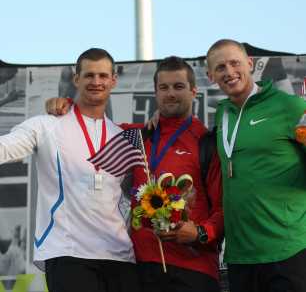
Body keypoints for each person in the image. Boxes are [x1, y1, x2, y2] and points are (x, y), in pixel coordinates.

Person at [45, 56, 224, 292]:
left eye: (178, 87)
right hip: (142, 270)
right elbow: (92, 125)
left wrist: (200, 233)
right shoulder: (137, 136)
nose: (170, 94)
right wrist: (66, 104)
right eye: (164, 87)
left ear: (193, 91)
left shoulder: (207, 143)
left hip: (194, 269)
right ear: (155, 92)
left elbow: (224, 208)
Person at [0, 48, 140, 292]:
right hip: (68, 253)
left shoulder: (123, 137)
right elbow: (6, 147)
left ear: (113, 80)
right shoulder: (46, 125)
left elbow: (133, 191)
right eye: (89, 75)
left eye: (103, 76)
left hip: (120, 257)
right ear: (76, 79)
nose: (96, 82)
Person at [206, 39, 306, 292]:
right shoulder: (223, 113)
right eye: (220, 68)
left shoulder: (290, 106)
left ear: (249, 64)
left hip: (288, 249)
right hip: (240, 255)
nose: (229, 72)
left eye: (234, 63)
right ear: (210, 76)